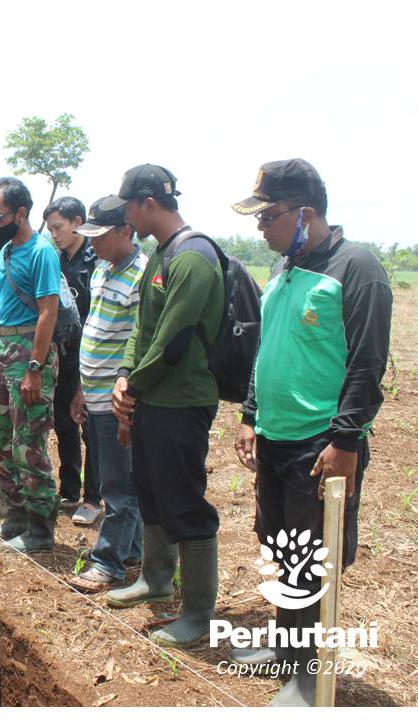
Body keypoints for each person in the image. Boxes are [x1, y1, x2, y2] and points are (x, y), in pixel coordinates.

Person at [230, 159, 392, 706]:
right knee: (279, 547)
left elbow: (368, 365)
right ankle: (285, 647)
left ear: (305, 212)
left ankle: (309, 676)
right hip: (276, 438)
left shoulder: (357, 268)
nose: (261, 228)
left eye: (267, 216)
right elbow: (264, 352)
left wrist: (345, 441)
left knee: (312, 558)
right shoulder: (281, 272)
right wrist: (252, 414)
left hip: (321, 444)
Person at [106, 164, 224, 647]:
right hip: (152, 395)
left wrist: (132, 385)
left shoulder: (194, 257)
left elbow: (173, 342)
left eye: (128, 207)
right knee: (150, 490)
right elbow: (144, 328)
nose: (127, 216)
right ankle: (156, 580)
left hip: (181, 400)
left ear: (148, 203)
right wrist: (123, 375)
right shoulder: (161, 255)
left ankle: (198, 613)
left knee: (184, 501)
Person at [67, 198, 147, 592]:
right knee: (114, 481)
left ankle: (108, 563)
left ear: (126, 231)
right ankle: (131, 550)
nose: (93, 245)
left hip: (118, 402)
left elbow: (140, 341)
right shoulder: (100, 271)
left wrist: (124, 388)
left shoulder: (143, 276)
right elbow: (94, 331)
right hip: (94, 394)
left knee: (119, 487)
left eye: (101, 236)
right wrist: (81, 389)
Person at [0, 177, 62, 553]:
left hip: (31, 352)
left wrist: (34, 366)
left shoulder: (41, 251)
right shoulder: (8, 252)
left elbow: (48, 312)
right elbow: (1, 310)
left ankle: (41, 529)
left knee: (28, 443)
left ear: (21, 213)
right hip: (6, 352)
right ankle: (15, 518)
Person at [43, 196, 99, 524]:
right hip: (63, 357)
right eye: (50, 229)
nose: (54, 234)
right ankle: (69, 491)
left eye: (58, 227)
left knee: (90, 430)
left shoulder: (95, 261)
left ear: (78, 222)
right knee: (64, 422)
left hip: (91, 358)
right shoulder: (57, 261)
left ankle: (93, 497)